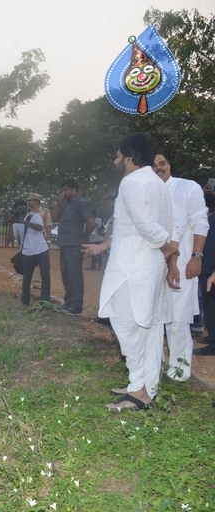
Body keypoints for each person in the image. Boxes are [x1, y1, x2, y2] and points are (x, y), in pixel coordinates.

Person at [83, 133, 178, 411]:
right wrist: (167, 247)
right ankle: (147, 385)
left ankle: (138, 391)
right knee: (147, 326)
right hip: (148, 264)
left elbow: (147, 227)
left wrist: (167, 245)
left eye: (118, 155)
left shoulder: (131, 182)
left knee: (127, 324)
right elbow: (153, 227)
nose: (116, 160)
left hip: (132, 266)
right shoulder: (159, 184)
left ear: (129, 157)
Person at [153, 152, 208, 380]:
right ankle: (155, 366)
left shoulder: (188, 187)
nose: (159, 168)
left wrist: (196, 256)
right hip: (154, 263)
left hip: (183, 262)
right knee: (156, 316)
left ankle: (179, 372)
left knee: (177, 319)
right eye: (154, 166)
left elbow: (200, 222)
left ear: (169, 165)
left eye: (162, 163)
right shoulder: (149, 192)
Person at [52, 179, 97, 314]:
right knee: (66, 273)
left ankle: (76, 304)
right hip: (64, 243)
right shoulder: (64, 203)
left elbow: (91, 222)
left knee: (74, 274)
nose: (63, 192)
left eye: (66, 189)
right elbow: (54, 218)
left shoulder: (81, 203)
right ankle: (68, 301)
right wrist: (58, 204)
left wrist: (83, 237)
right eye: (62, 190)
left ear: (74, 190)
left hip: (75, 244)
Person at [13, 207, 50, 306]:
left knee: (45, 275)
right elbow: (17, 238)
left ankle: (45, 301)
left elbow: (40, 228)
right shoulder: (16, 224)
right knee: (27, 277)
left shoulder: (35, 216)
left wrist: (26, 223)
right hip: (27, 251)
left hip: (41, 249)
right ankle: (25, 301)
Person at [194, 192, 215, 356]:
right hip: (207, 268)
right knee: (208, 307)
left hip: (211, 270)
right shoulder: (210, 219)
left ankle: (213, 344)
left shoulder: (210, 220)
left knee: (211, 307)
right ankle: (211, 337)